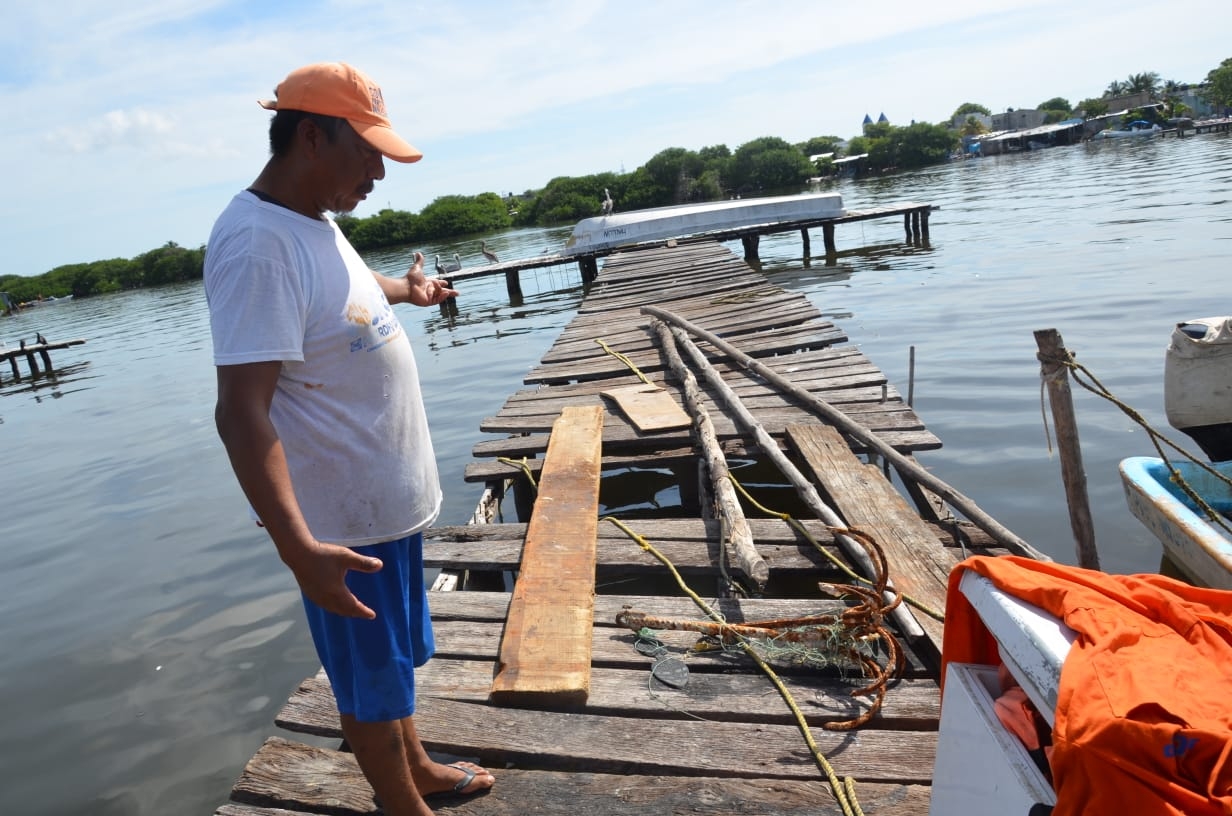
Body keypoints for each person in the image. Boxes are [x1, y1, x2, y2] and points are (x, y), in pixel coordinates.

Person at [204, 62, 494, 815]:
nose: (377, 173)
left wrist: (411, 289)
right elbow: (240, 410)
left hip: (382, 513)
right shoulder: (257, 244)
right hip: (339, 528)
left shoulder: (312, 220)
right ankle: (403, 807)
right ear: (310, 136)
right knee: (368, 679)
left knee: (391, 666)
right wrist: (300, 550)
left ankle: (419, 765)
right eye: (366, 153)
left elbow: (349, 299)